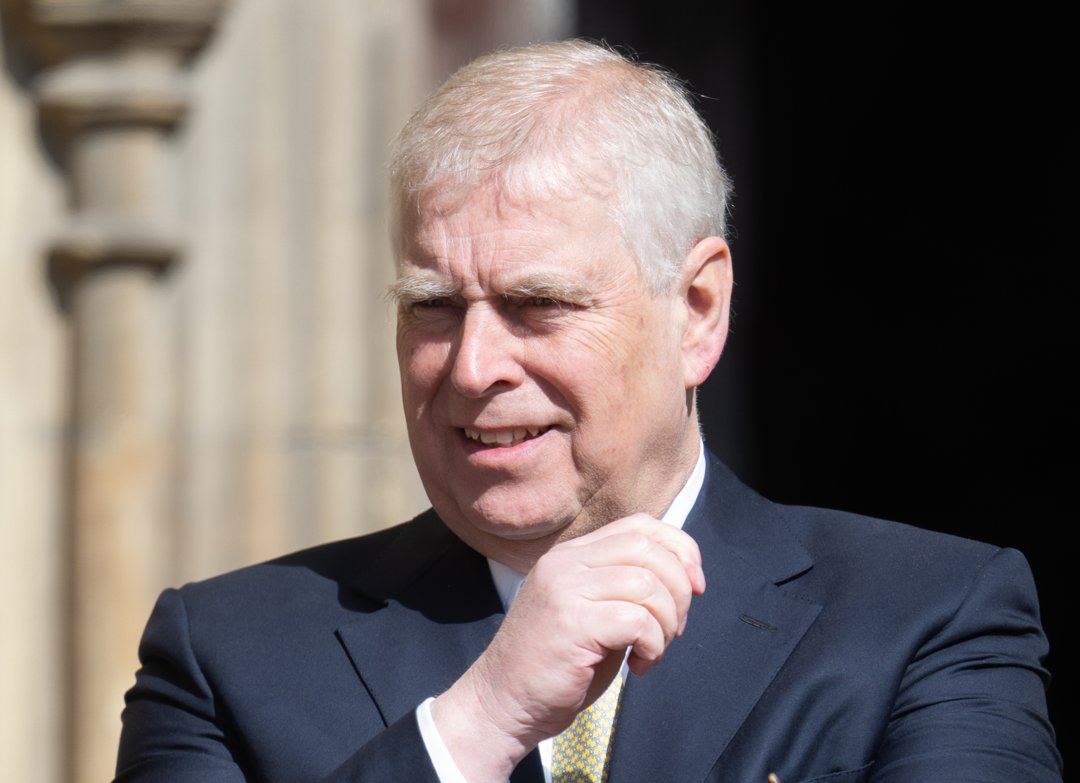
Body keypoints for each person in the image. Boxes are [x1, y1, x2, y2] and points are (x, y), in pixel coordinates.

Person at [115, 40, 1062, 783]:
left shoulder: (922, 621)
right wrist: (477, 725)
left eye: (538, 303)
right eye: (432, 306)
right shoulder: (229, 657)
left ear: (698, 311)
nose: (473, 367)